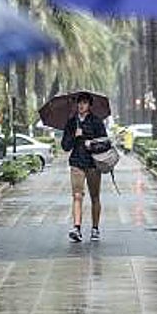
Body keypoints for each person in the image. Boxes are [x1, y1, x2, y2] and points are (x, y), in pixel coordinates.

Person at [61, 92, 107, 242]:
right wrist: (74, 136)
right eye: (79, 102)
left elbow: (105, 143)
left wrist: (91, 143)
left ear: (89, 105)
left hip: (93, 163)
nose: (81, 105)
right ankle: (77, 228)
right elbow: (65, 146)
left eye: (85, 103)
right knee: (77, 195)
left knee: (95, 196)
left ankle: (95, 228)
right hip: (76, 162)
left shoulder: (96, 121)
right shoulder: (71, 122)